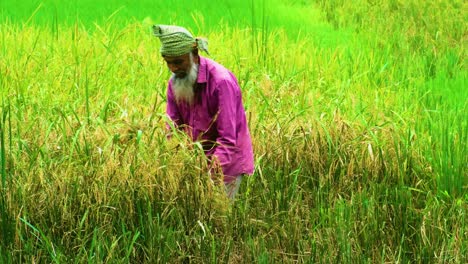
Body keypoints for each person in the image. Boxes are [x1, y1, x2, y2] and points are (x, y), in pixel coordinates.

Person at [153, 24, 254, 199]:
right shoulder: (175, 82)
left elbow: (227, 139)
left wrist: (208, 173)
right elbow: (173, 127)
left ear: (195, 55)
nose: (173, 68)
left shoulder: (221, 83)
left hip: (225, 163)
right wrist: (174, 161)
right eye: (168, 62)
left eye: (178, 62)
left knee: (218, 217)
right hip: (196, 163)